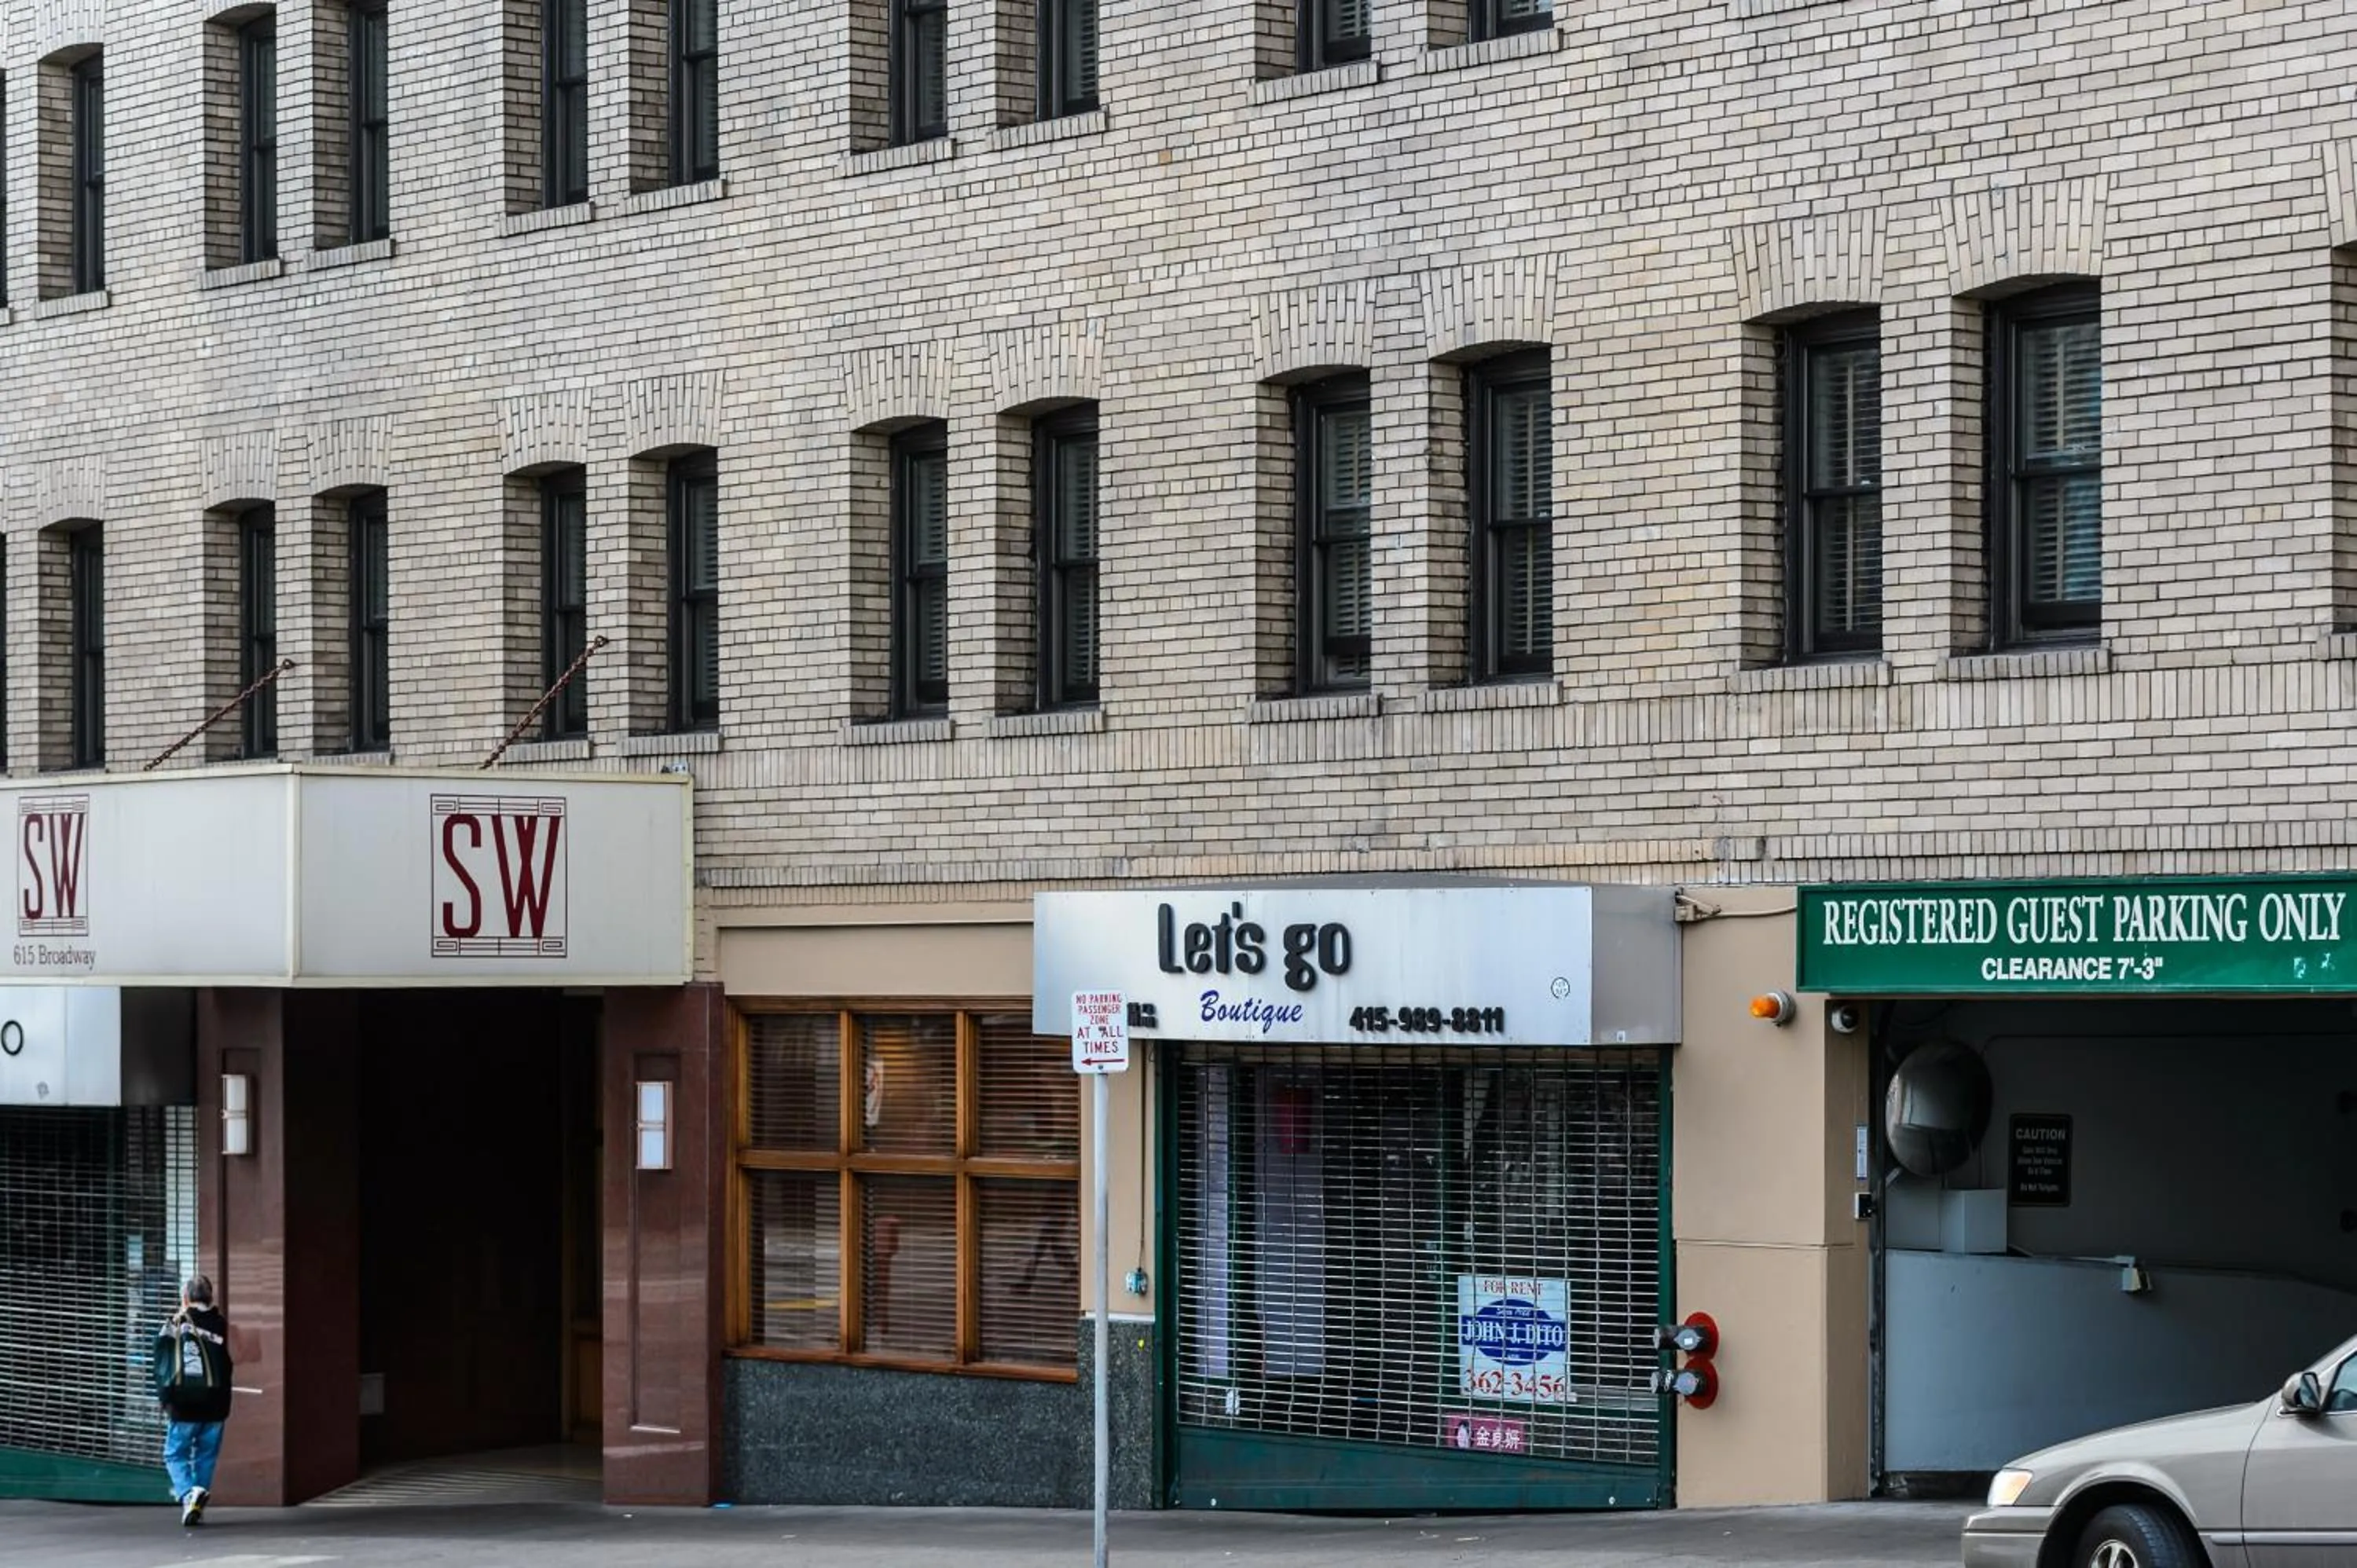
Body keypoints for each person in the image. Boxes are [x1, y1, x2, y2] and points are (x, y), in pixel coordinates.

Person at [153, 1276, 233, 1527]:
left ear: (185, 1297)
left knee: (174, 1454)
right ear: (211, 1298)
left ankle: (189, 1494)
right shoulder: (222, 1325)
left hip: (183, 1404)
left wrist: (165, 1398)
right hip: (216, 1404)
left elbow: (162, 1362)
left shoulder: (175, 1323)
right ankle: (196, 1499)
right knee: (206, 1455)